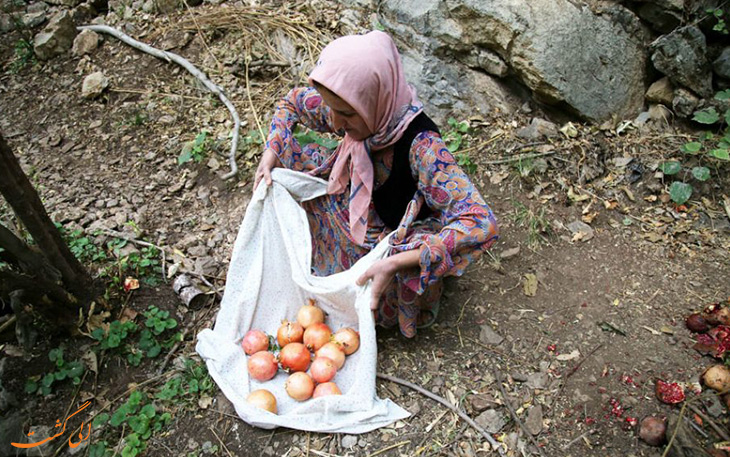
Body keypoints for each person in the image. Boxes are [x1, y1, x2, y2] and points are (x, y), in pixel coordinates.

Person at [254, 30, 498, 338]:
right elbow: (291, 103)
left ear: (376, 98)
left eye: (345, 115)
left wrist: (396, 262)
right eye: (333, 110)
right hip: (356, 204)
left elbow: (481, 221)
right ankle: (327, 266)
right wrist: (271, 152)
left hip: (392, 237)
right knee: (285, 164)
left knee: (382, 291)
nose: (337, 123)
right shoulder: (349, 107)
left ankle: (384, 278)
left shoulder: (422, 147)